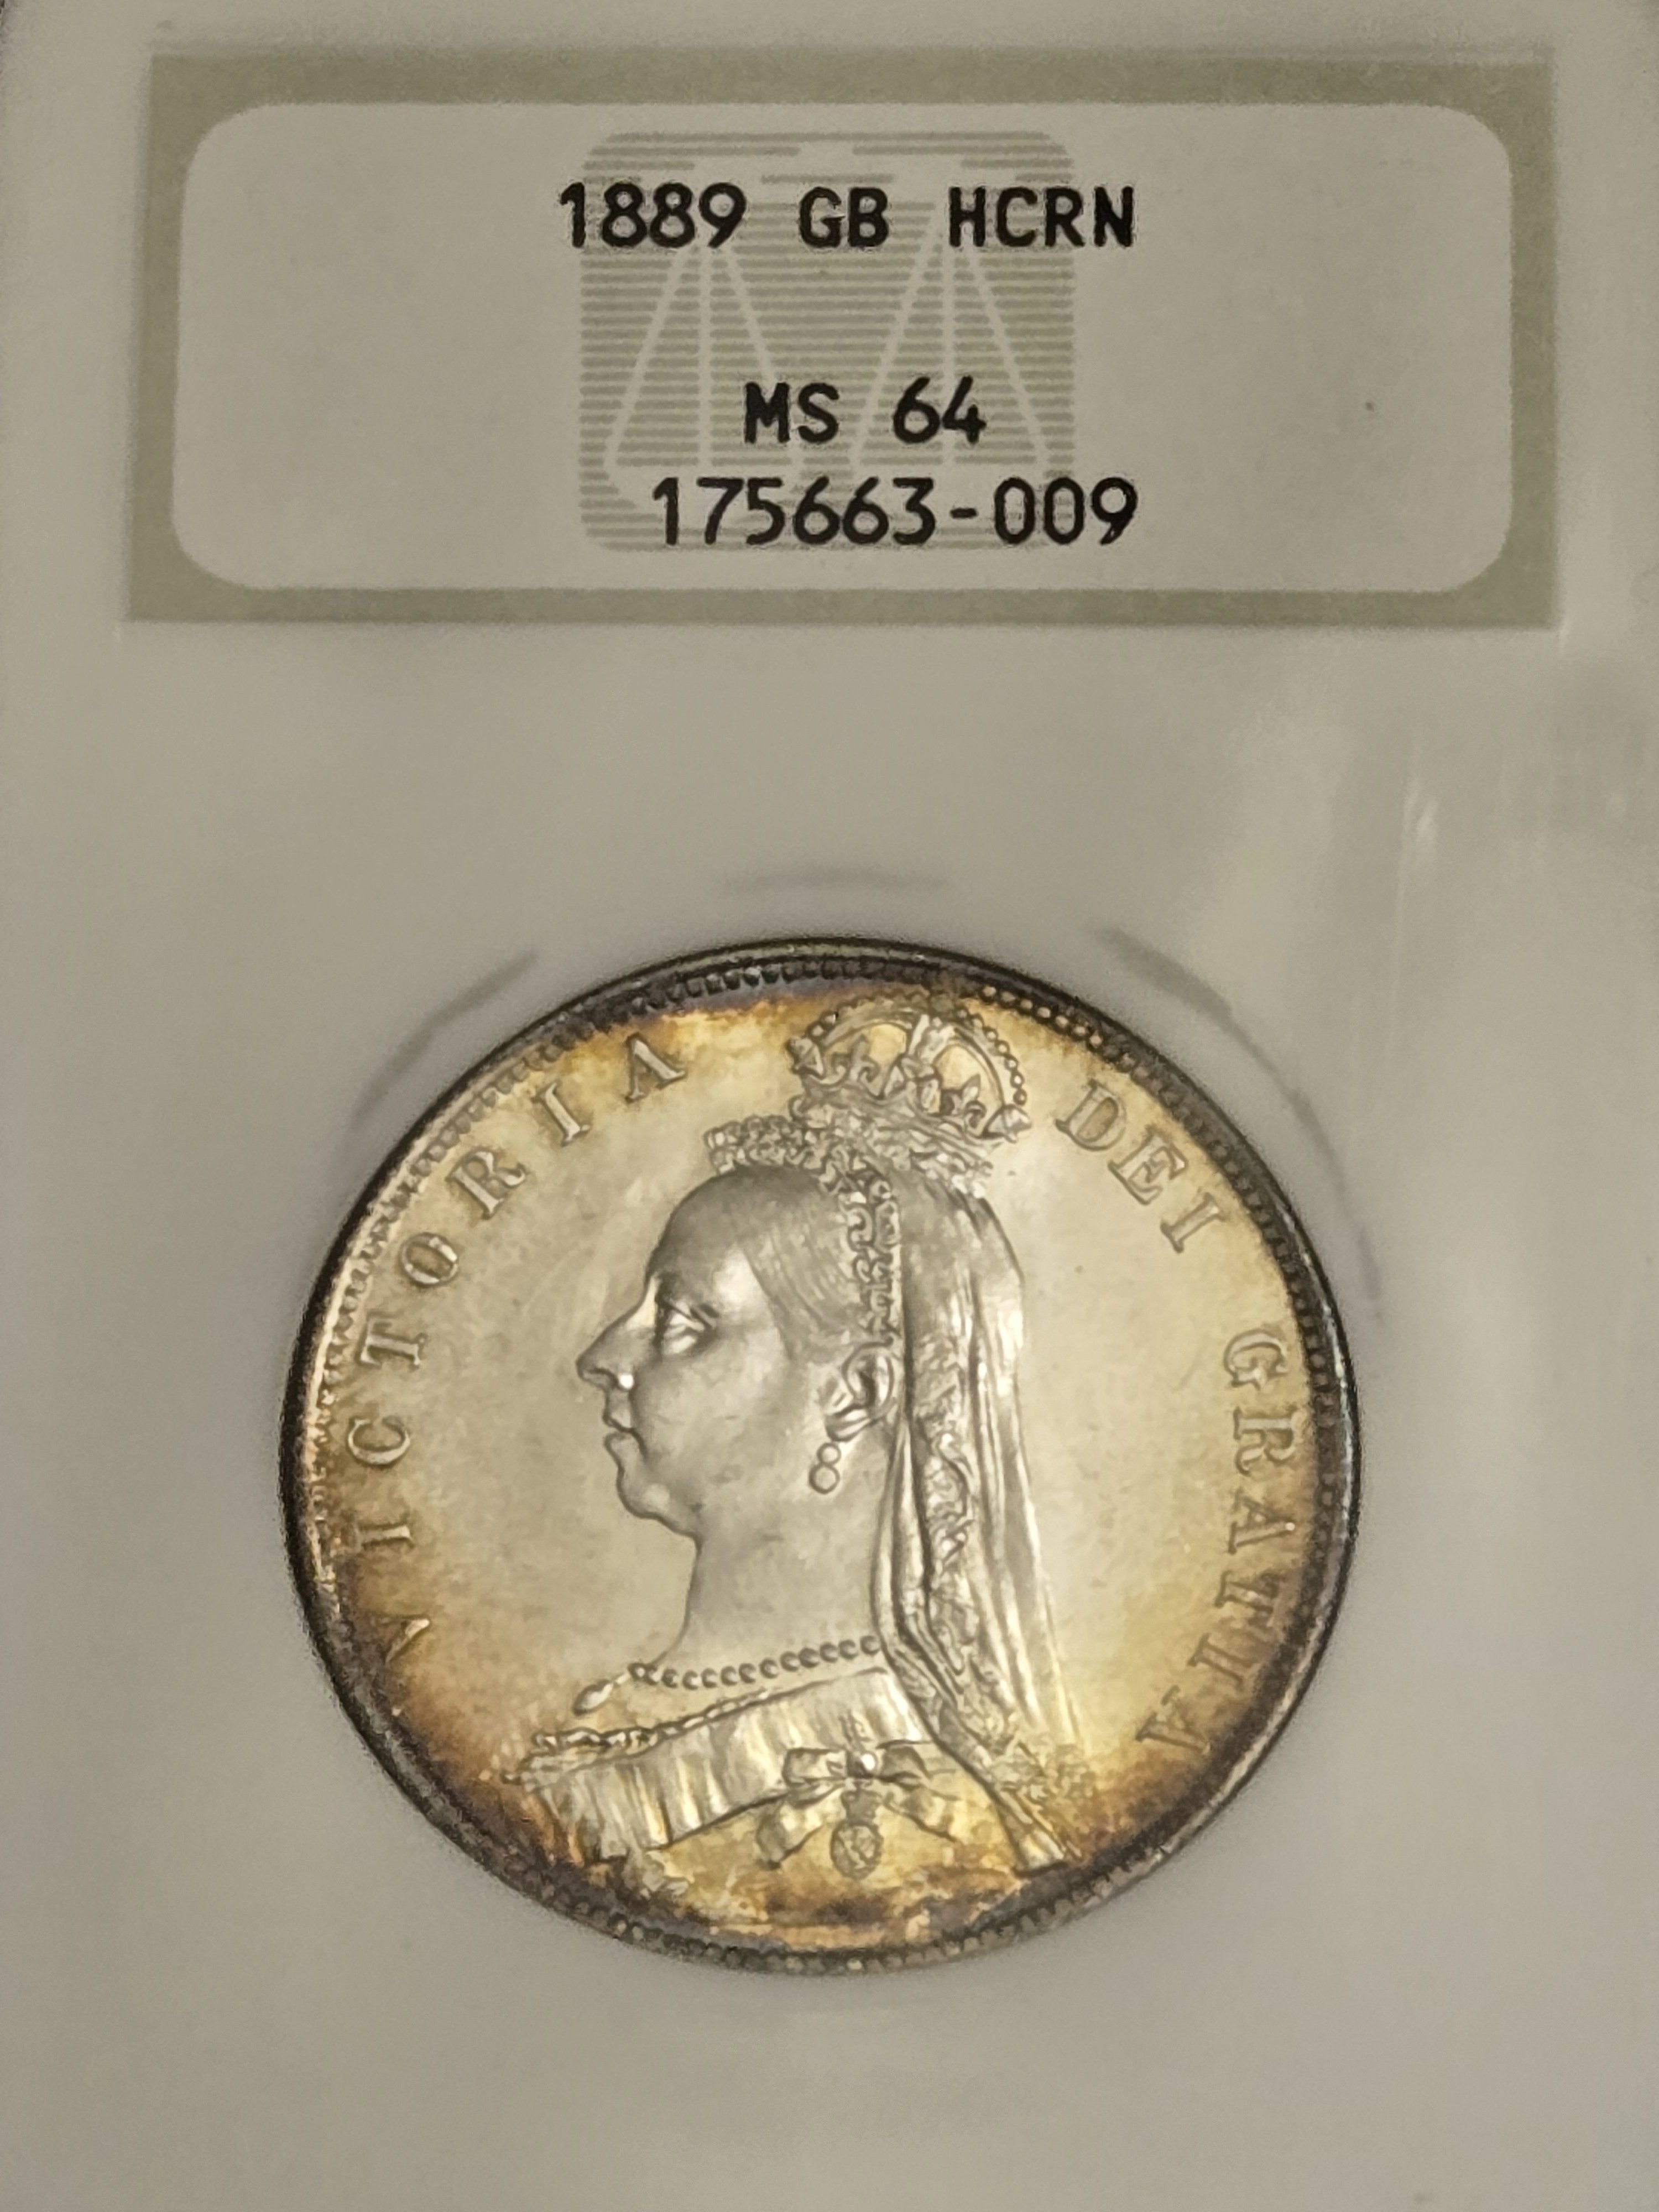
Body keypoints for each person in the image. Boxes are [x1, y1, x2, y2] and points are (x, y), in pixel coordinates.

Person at [513, 995, 1081, 1917]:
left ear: (855, 1394)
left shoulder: (895, 1806)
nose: (604, 1356)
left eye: (683, 1321)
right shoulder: (625, 1715)